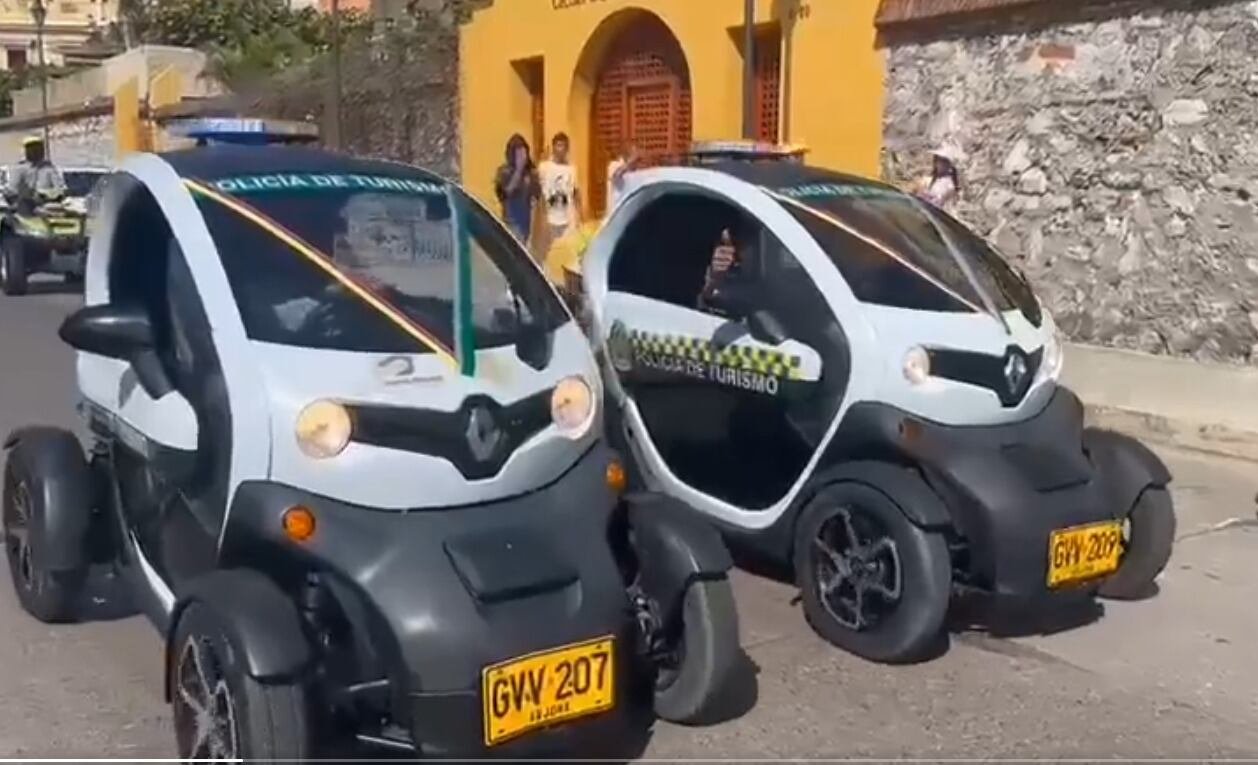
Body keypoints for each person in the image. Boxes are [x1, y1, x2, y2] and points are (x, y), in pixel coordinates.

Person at [493, 133, 539, 246]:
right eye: (518, 153)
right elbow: (503, 195)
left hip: (526, 225)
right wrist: (518, 170)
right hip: (511, 223)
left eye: (524, 152)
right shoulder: (504, 172)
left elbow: (536, 198)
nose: (522, 156)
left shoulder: (530, 174)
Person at [538, 132, 581, 248]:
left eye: (564, 146)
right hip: (550, 219)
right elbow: (540, 194)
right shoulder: (544, 167)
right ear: (553, 147)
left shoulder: (572, 169)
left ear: (567, 149)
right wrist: (541, 218)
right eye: (558, 145)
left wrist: (580, 217)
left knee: (568, 250)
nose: (561, 149)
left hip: (568, 218)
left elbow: (576, 193)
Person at [5, 135, 66, 209]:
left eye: (39, 148)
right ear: (26, 151)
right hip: (24, 207)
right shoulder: (18, 169)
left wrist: (47, 194)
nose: (35, 151)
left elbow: (60, 189)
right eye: (32, 148)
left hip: (47, 205)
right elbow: (12, 191)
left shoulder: (49, 168)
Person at [911, 143, 962, 209]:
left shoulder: (948, 185)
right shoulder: (931, 179)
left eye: (943, 161)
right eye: (938, 159)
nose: (938, 163)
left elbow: (937, 202)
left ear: (949, 164)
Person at [605, 140, 640, 215]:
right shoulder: (614, 165)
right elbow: (617, 174)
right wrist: (629, 163)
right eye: (633, 153)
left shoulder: (632, 170)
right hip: (615, 210)